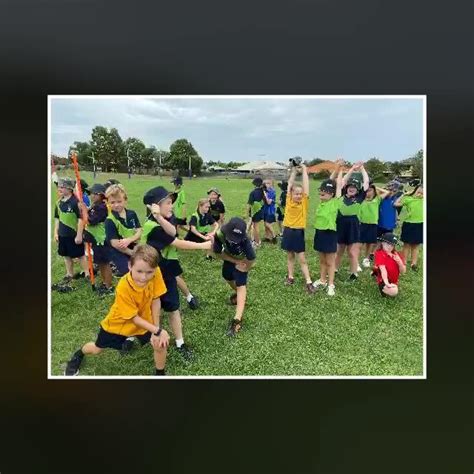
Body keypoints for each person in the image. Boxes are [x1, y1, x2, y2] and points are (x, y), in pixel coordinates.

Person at [63, 245, 170, 376]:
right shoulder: (123, 287)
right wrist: (157, 330)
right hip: (120, 322)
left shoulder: (156, 271)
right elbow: (132, 317)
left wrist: (156, 329)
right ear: (130, 266)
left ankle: (160, 375)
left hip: (145, 318)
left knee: (160, 343)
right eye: (139, 271)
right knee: (97, 349)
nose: (144, 277)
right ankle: (78, 355)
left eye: (149, 272)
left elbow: (156, 299)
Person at [142, 186, 213, 360]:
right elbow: (177, 242)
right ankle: (148, 339)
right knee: (153, 311)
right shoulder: (153, 226)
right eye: (168, 203)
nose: (172, 206)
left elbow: (173, 231)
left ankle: (180, 343)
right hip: (152, 275)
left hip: (166, 270)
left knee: (174, 308)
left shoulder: (163, 220)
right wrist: (203, 245)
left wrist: (161, 215)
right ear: (154, 206)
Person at [212, 217, 256, 336]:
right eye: (232, 238)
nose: (234, 241)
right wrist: (233, 261)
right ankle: (241, 295)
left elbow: (251, 258)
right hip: (229, 257)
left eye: (237, 239)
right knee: (226, 276)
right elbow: (217, 253)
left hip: (243, 261)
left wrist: (245, 267)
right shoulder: (220, 234)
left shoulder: (245, 240)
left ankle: (237, 319)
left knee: (241, 284)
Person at [281, 163, 315, 294]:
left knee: (302, 259)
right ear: (291, 194)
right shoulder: (289, 200)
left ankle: (308, 281)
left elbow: (306, 185)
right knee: (290, 256)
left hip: (298, 232)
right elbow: (290, 184)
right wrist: (295, 171)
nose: (298, 196)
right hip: (288, 231)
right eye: (296, 194)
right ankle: (290, 277)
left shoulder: (304, 202)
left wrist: (305, 170)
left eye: (300, 194)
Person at [333, 161, 369, 280]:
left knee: (352, 252)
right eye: (350, 187)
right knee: (339, 250)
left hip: (353, 226)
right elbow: (341, 182)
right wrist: (352, 169)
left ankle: (354, 273)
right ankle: (335, 269)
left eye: (354, 187)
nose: (351, 188)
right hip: (340, 225)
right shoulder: (340, 196)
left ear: (357, 190)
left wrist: (362, 169)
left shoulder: (359, 198)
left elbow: (366, 182)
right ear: (346, 188)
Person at [52, 177, 89, 290]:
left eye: (62, 187)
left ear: (69, 188)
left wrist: (79, 234)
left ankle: (86, 272)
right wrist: (55, 232)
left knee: (80, 255)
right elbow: (57, 218)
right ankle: (69, 274)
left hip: (73, 235)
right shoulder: (58, 202)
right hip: (63, 235)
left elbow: (81, 219)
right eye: (59, 186)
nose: (60, 188)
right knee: (66, 256)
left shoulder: (75, 202)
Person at [312, 172, 343, 296]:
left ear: (332, 194)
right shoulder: (322, 203)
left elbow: (338, 186)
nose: (322, 192)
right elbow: (329, 180)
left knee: (330, 262)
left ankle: (331, 284)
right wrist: (336, 168)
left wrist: (340, 170)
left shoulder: (335, 203)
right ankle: (322, 280)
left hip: (330, 234)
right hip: (319, 233)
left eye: (325, 191)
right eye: (322, 190)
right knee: (322, 260)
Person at [104, 184, 142, 277]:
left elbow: (139, 231)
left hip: (133, 246)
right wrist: (132, 253)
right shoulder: (109, 220)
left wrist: (130, 239)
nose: (116, 205)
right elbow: (114, 243)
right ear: (108, 203)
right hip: (119, 251)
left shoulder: (132, 214)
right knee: (129, 272)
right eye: (112, 202)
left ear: (125, 200)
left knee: (141, 268)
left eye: (119, 201)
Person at [83, 183, 113, 296]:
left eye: (92, 194)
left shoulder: (101, 207)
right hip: (96, 239)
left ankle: (109, 286)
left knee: (105, 263)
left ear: (99, 195)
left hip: (102, 239)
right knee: (100, 262)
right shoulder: (95, 205)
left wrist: (84, 211)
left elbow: (91, 221)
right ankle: (104, 282)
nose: (90, 195)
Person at [394, 183, 423, 271]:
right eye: (419, 192)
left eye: (422, 193)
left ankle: (414, 263)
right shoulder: (408, 199)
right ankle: (404, 262)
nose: (420, 194)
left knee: (416, 245)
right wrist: (404, 194)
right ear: (415, 191)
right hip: (409, 224)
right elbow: (396, 204)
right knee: (406, 244)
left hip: (420, 224)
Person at [359, 183, 389, 268]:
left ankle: (366, 259)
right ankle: (356, 262)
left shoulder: (377, 199)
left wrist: (376, 187)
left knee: (370, 243)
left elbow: (386, 192)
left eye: (370, 190)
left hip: (373, 224)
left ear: (374, 191)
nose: (368, 192)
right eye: (366, 190)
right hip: (362, 224)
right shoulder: (361, 199)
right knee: (360, 244)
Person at [373, 233, 406, 297]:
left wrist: (400, 262)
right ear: (382, 243)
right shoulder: (379, 253)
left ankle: (375, 272)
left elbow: (403, 271)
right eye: (388, 244)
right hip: (384, 280)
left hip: (394, 281)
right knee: (394, 291)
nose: (390, 247)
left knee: (394, 290)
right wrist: (387, 283)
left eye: (392, 245)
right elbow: (383, 270)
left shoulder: (397, 254)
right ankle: (376, 274)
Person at [247, 177, 265, 248]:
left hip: (254, 211)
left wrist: (246, 213)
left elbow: (249, 204)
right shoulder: (262, 191)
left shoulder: (253, 192)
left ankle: (257, 242)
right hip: (260, 210)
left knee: (255, 227)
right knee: (255, 226)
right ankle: (256, 241)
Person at [262, 178, 277, 243]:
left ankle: (274, 237)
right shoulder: (265, 190)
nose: (266, 184)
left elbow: (268, 202)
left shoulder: (272, 192)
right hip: (265, 209)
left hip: (270, 210)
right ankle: (267, 237)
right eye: (265, 183)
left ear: (271, 184)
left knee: (267, 224)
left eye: (268, 183)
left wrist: (264, 194)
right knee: (265, 225)